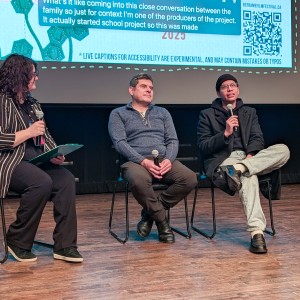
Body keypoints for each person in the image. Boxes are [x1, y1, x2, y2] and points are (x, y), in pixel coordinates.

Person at [0, 54, 83, 263]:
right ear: (19, 74)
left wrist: (55, 153)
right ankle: (17, 240)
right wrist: (27, 133)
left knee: (64, 180)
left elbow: (45, 137)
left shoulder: (32, 103)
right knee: (41, 182)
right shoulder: (2, 101)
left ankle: (65, 245)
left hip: (37, 161)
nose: (36, 78)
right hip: (8, 161)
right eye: (33, 74)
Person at [197, 73, 290, 254]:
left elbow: (257, 138)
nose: (229, 89)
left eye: (233, 85)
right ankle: (257, 233)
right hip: (225, 158)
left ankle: (238, 169)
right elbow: (203, 146)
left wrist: (250, 156)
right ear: (218, 93)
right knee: (250, 177)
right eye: (225, 87)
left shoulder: (249, 112)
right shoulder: (207, 115)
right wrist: (225, 133)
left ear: (238, 89)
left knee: (283, 150)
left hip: (249, 158)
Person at [108, 73, 197, 243]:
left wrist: (168, 160)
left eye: (151, 88)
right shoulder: (118, 114)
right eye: (144, 87)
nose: (149, 90)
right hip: (135, 162)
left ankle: (149, 215)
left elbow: (172, 140)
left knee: (189, 178)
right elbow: (120, 143)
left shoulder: (162, 112)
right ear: (131, 90)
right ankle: (163, 223)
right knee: (139, 180)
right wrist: (143, 161)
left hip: (163, 160)